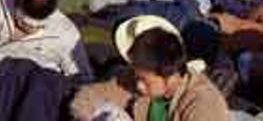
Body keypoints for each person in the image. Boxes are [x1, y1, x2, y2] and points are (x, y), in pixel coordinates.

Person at [71, 15, 228, 121]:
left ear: (168, 75)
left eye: (145, 81)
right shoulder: (139, 78)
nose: (139, 85)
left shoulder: (203, 104)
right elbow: (90, 95)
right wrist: (85, 116)